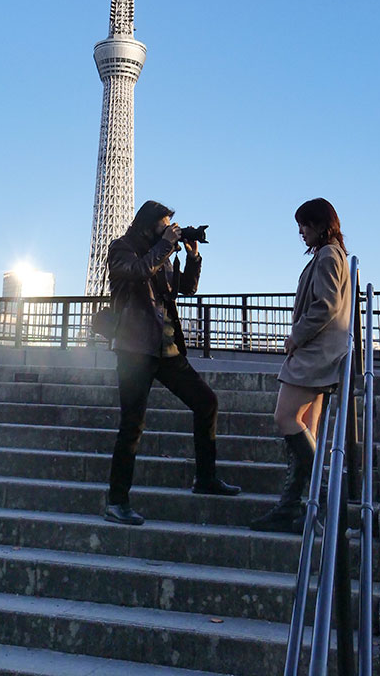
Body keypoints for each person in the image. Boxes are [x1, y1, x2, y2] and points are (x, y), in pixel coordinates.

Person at [103, 199, 240, 526]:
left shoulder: (161, 253)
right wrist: (166, 245)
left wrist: (193, 257)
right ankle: (116, 501)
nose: (169, 231)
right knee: (132, 425)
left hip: (166, 347)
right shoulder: (122, 248)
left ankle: (204, 479)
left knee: (206, 402)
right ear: (149, 224)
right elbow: (137, 272)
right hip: (135, 348)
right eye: (164, 225)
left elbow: (185, 289)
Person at [250, 197, 351, 534]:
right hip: (325, 354)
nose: (301, 232)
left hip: (314, 353)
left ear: (321, 224)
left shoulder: (327, 256)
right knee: (307, 428)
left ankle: (323, 499)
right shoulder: (334, 255)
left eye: (305, 225)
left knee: (285, 418)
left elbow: (325, 305)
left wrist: (296, 336)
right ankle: (295, 509)